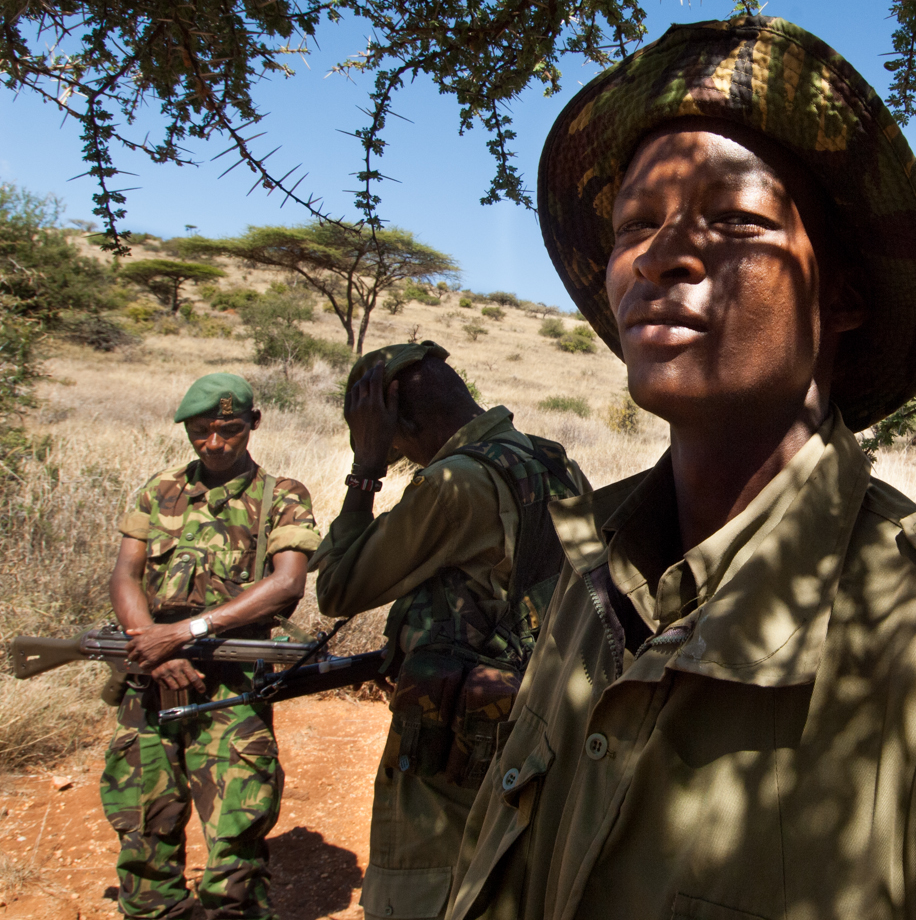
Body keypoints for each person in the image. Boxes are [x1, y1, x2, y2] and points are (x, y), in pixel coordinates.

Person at [445, 16, 916, 920]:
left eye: (737, 220)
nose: (662, 254)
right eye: (636, 223)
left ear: (845, 295)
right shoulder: (594, 580)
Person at [310, 341, 588, 920]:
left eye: (392, 441)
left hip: (459, 743)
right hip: (543, 720)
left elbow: (338, 589)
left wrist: (364, 470)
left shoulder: (453, 483)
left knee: (429, 887)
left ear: (402, 422)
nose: (396, 455)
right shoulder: (552, 459)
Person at [102, 372, 321, 920]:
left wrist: (183, 633)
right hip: (150, 678)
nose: (214, 443)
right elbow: (125, 576)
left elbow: (286, 583)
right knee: (143, 827)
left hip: (231, 687)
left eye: (228, 429)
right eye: (200, 431)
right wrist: (156, 649)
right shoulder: (160, 490)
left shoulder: (282, 496)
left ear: (254, 423)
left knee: (236, 838)